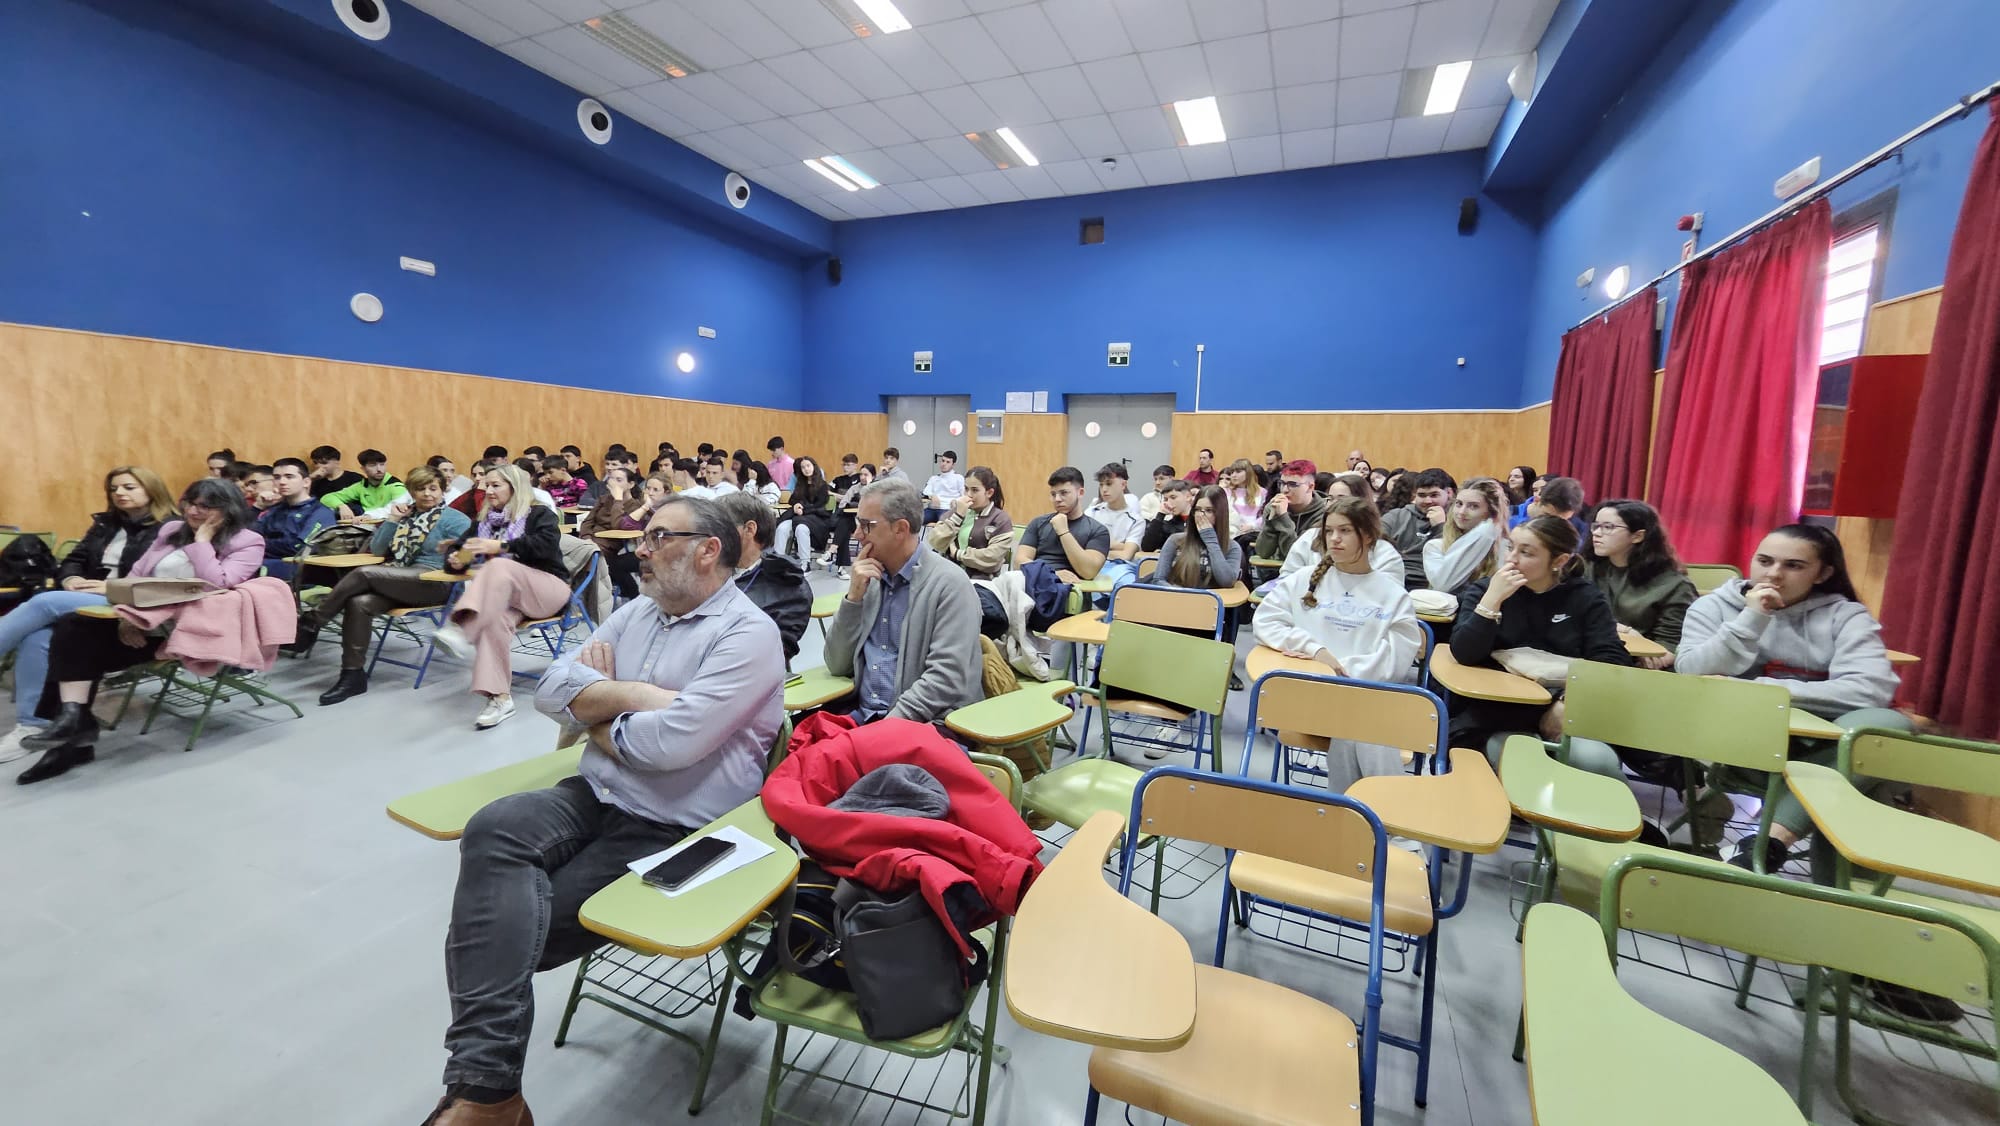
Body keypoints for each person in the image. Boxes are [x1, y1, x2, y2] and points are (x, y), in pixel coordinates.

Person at [417, 494, 781, 1126]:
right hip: (598, 793)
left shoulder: (749, 636)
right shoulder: (638, 612)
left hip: (676, 826)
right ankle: (491, 1096)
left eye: (657, 537)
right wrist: (637, 696)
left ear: (707, 550)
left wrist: (595, 716)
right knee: (494, 826)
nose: (637, 548)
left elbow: (671, 746)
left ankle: (484, 1096)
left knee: (503, 932)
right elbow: (551, 693)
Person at [1677, 524, 1906, 874]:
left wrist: (1760, 689)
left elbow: (1870, 689)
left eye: (1793, 566)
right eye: (1764, 561)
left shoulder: (1845, 616)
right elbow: (1692, 672)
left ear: (1823, 573)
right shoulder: (1713, 607)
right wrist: (1752, 618)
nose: (1773, 574)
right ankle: (1835, 898)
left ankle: (1769, 841)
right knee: (1861, 776)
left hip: (1823, 743)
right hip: (1741, 744)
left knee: (1887, 726)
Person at [16, 480, 268, 784]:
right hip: (140, 622)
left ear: (228, 509)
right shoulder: (170, 530)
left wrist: (202, 541)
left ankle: (73, 733)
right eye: (190, 503)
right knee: (68, 629)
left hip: (182, 631)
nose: (194, 511)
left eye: (206, 506)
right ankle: (72, 720)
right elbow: (136, 577)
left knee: (73, 638)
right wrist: (127, 616)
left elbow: (218, 584)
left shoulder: (248, 541)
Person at [0, 467, 174, 764]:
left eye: (129, 487)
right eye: (115, 488)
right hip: (88, 597)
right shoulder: (106, 524)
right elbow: (73, 560)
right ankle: (33, 723)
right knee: (38, 636)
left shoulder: (171, 528)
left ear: (152, 489)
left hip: (131, 604)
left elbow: (163, 582)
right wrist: (70, 579)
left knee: (43, 602)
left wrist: (110, 587)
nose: (119, 493)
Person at [1254, 497, 1425, 790]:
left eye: (1345, 531)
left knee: (1356, 720)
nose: (1334, 539)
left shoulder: (1392, 595)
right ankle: (1391, 821)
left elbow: (1395, 661)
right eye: (1329, 530)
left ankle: (1348, 813)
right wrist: (1316, 652)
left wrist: (1341, 671)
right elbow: (1265, 621)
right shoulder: (1304, 579)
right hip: (1307, 695)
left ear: (1368, 535)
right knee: (1362, 719)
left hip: (1360, 697)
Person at [1447, 516, 1633, 770]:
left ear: (1559, 561)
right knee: (1521, 762)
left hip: (1562, 708)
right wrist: (1491, 602)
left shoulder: (1584, 597)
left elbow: (1611, 659)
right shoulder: (1485, 590)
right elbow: (1464, 653)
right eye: (1511, 547)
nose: (1511, 558)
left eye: (1526, 553)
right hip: (1496, 711)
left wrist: (1567, 702)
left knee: (1597, 762)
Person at [286, 466, 473, 704]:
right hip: (400, 579)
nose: (427, 494)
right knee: (359, 602)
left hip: (435, 582)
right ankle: (352, 675)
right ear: (411, 492)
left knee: (363, 573)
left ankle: (311, 624)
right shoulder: (406, 515)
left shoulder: (455, 519)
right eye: (420, 489)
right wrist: (393, 520)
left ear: (442, 490)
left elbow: (471, 554)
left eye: (433, 488)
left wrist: (459, 559)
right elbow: (377, 549)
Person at [823, 479, 982, 725]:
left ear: (900, 529)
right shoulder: (870, 579)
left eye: (866, 526)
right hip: (865, 717)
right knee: (794, 747)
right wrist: (852, 600)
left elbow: (945, 681)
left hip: (925, 725)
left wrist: (885, 730)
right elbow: (836, 664)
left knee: (830, 760)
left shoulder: (950, 585)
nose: (856, 535)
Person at [429, 464, 572, 731]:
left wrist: (501, 546)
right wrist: (455, 562)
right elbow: (460, 552)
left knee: (498, 565)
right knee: (493, 622)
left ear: (514, 487)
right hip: (506, 599)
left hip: (548, 590)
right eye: (486, 485)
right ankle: (500, 698)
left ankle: (460, 628)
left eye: (496, 485)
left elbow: (545, 546)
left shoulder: (539, 514)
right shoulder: (483, 523)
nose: (488, 490)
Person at [1581, 500, 1695, 670]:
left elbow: (1671, 645)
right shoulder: (1586, 568)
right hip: (1582, 654)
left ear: (1637, 536)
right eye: (1595, 526)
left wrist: (1648, 657)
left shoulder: (1674, 585)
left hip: (1635, 666)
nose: (1597, 533)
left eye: (1608, 527)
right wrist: (1626, 631)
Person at [715, 491, 811, 663]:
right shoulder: (707, 571)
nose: (711, 536)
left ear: (749, 529)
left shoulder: (788, 585)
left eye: (719, 527)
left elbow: (772, 655)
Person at [1015, 467, 1110, 582]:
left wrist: (1063, 532)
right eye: (1053, 494)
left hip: (1069, 590)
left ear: (1080, 493)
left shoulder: (1098, 530)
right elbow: (1019, 562)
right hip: (1036, 581)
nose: (1057, 499)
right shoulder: (1038, 523)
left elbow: (1088, 572)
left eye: (1064, 493)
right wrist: (1051, 573)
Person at [1422, 476, 1508, 595]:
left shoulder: (1505, 548)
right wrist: (1486, 531)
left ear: (1491, 511)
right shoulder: (1435, 547)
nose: (1462, 512)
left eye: (1473, 506)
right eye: (1459, 504)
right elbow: (1443, 584)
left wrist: (1490, 529)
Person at [255, 457, 335, 582]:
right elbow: (247, 537)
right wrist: (258, 506)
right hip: (265, 562)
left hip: (302, 571)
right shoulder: (274, 509)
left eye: (289, 477)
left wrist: (259, 545)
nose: (282, 482)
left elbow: (299, 548)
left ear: (306, 482)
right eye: (277, 477)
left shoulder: (321, 512)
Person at [927, 465, 1013, 578]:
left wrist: (958, 554)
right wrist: (957, 516)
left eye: (975, 490)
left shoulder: (1000, 519)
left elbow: (992, 558)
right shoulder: (957, 511)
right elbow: (935, 541)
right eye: (966, 489)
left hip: (982, 581)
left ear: (989, 493)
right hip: (949, 576)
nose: (968, 495)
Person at [577, 466, 648, 599]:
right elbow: (588, 522)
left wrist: (618, 500)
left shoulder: (635, 506)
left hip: (612, 543)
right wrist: (586, 537)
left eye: (619, 480)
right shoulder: (603, 499)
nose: (613, 483)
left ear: (631, 484)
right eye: (611, 478)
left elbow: (618, 525)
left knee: (590, 558)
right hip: (591, 540)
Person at [1156, 485, 1242, 592]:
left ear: (1220, 514)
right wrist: (1183, 595)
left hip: (1212, 604)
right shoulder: (1175, 540)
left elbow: (1227, 582)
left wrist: (1210, 540)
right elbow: (1159, 579)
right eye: (1197, 510)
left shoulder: (1233, 547)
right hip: (1176, 601)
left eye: (1209, 510)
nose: (1201, 515)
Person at [1381, 467, 1456, 590]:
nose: (1428, 501)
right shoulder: (1396, 516)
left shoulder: (1458, 521)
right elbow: (1375, 541)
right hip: (1395, 579)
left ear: (1449, 493)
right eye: (1422, 495)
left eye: (1434, 495)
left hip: (1434, 584)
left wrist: (1440, 527)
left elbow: (1452, 560)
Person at [1253, 460, 1323, 564]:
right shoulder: (1274, 506)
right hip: (1272, 572)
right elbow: (1263, 552)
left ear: (1310, 487)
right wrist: (1271, 521)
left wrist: (1283, 518)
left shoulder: (1323, 514)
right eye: (1282, 483)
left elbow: (1296, 557)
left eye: (1292, 484)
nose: (1285, 490)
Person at [774, 455, 833, 568]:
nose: (806, 469)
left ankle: (805, 563)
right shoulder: (800, 484)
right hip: (799, 516)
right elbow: (792, 499)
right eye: (803, 467)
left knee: (801, 528)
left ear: (814, 467)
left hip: (817, 518)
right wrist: (796, 505)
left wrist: (803, 510)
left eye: (808, 466)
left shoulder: (823, 485)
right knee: (782, 528)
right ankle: (778, 561)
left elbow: (819, 505)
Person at [1084, 463, 1145, 568]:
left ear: (1123, 485)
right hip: (1090, 565)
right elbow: (1080, 547)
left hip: (1119, 567)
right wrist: (1119, 546)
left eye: (1109, 483)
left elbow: (1126, 555)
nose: (1104, 489)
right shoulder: (1091, 513)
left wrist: (1096, 549)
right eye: (1101, 485)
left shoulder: (1136, 521)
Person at [323, 449, 408, 520]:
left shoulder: (396, 486)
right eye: (372, 465)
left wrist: (368, 516)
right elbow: (326, 498)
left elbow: (398, 510)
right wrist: (341, 506)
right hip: (363, 525)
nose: (379, 469)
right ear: (363, 469)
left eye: (382, 465)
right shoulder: (361, 486)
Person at [827, 463, 875, 577]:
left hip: (869, 523)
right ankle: (838, 564)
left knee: (844, 527)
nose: (862, 477)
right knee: (845, 524)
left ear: (872, 476)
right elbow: (843, 504)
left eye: (866, 475)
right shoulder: (854, 488)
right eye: (861, 474)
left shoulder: (876, 489)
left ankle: (833, 555)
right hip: (854, 521)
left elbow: (873, 507)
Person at [1221, 458, 1264, 555]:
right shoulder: (1226, 492)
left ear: (1248, 473)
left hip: (1253, 534)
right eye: (1232, 472)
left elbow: (1266, 515)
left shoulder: (1262, 492)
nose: (1234, 475)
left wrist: (1252, 525)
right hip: (1231, 535)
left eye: (1238, 471)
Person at [1140, 478, 1193, 552]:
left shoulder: (1201, 521)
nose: (1168, 503)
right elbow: (1147, 547)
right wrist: (1160, 515)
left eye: (1173, 497)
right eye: (1166, 499)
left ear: (1188, 497)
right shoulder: (1168, 525)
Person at [1531, 475, 1588, 541]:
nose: (1552, 523)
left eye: (1560, 520)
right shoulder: (1522, 519)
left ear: (1572, 512)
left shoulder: (1580, 532)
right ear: (1537, 500)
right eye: (1547, 515)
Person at [921, 450, 966, 526]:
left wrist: (956, 501)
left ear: (953, 464)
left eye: (948, 462)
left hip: (947, 509)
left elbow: (964, 496)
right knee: (916, 520)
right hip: (932, 508)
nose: (944, 464)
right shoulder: (934, 478)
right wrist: (932, 496)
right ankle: (931, 527)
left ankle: (933, 525)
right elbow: (926, 492)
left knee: (943, 524)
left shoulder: (958, 478)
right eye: (943, 461)